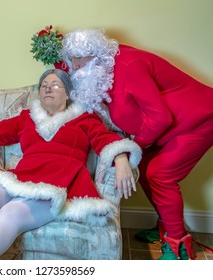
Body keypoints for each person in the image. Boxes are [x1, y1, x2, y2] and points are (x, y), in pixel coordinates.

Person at [0, 69, 142, 260]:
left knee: (12, 213)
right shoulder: (27, 118)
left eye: (55, 85)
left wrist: (120, 158)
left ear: (68, 93)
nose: (47, 88)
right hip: (24, 177)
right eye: (44, 85)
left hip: (61, 185)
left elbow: (106, 140)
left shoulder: (85, 119)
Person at [62, 29, 213, 260]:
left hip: (199, 120)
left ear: (95, 55)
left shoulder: (128, 65)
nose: (75, 66)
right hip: (166, 129)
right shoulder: (101, 71)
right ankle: (166, 226)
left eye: (79, 59)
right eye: (70, 59)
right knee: (144, 172)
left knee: (160, 174)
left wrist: (136, 146)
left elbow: (160, 116)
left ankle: (179, 248)